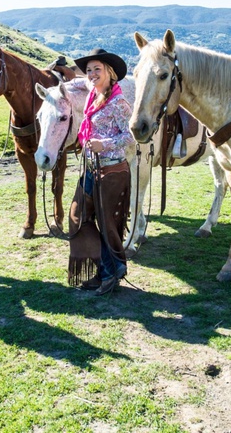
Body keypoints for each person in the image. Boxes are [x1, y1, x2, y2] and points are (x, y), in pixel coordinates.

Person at [67, 48, 135, 296]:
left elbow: (131, 137)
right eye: (89, 70)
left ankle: (107, 273)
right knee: (78, 216)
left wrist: (103, 144)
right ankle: (109, 267)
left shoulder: (119, 103)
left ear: (110, 73)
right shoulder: (92, 98)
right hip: (92, 169)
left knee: (107, 225)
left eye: (97, 69)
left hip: (113, 171)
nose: (92, 73)